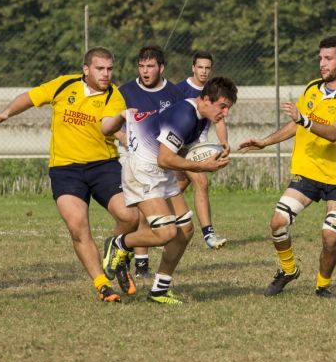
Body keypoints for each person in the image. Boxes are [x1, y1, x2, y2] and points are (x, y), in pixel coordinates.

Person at [0, 46, 139, 302]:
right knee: (77, 227)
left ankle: (118, 252)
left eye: (110, 69)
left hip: (103, 165)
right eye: (100, 69)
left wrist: (121, 126)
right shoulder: (64, 84)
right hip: (66, 169)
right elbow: (31, 97)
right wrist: (5, 114)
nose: (106, 74)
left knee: (130, 216)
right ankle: (102, 284)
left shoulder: (115, 97)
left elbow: (107, 127)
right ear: (86, 69)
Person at [238, 36, 336, 299]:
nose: (322, 63)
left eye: (328, 58)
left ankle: (322, 286)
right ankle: (288, 270)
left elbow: (334, 133)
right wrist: (265, 141)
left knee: (330, 237)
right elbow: (297, 124)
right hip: (308, 171)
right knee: (278, 222)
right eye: (320, 58)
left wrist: (304, 120)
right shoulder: (312, 88)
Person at [101, 77, 238, 305]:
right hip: (143, 170)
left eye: (228, 108)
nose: (225, 113)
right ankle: (119, 244)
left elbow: (175, 154)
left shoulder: (202, 118)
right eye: (222, 106)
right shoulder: (184, 115)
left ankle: (159, 290)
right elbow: (165, 158)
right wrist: (202, 166)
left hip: (160, 171)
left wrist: (208, 157)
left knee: (185, 230)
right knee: (166, 233)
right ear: (205, 99)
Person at [117, 45, 185, 278]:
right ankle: (136, 261)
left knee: (177, 225)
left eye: (150, 66)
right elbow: (109, 124)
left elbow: (179, 128)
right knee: (144, 214)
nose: (145, 71)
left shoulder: (174, 94)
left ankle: (130, 256)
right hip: (135, 160)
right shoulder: (125, 92)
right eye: (141, 66)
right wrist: (125, 138)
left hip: (162, 162)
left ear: (161, 68)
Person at [174, 51, 230, 249]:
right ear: (193, 67)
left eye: (207, 68)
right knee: (201, 181)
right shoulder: (179, 90)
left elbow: (220, 119)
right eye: (200, 67)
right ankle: (209, 235)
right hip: (178, 145)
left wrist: (224, 142)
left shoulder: (213, 90)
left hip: (197, 145)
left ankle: (151, 219)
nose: (204, 71)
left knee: (175, 188)